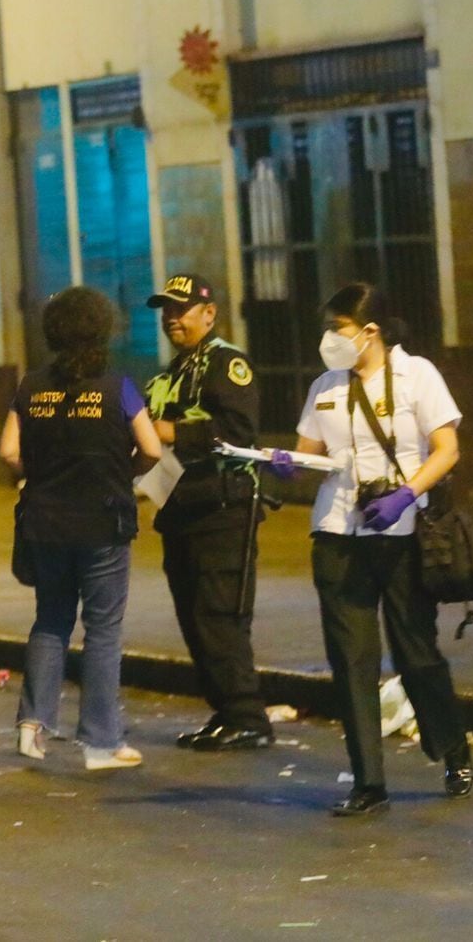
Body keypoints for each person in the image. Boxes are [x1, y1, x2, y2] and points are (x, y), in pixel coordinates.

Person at [289, 282, 472, 817]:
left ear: (369, 331)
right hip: (337, 531)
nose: (329, 338)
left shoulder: (417, 375)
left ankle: (452, 747)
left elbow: (448, 448)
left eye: (337, 328)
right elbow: (308, 452)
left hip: (399, 531)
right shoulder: (325, 385)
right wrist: (284, 462)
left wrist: (405, 495)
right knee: (350, 661)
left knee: (416, 654)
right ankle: (369, 781)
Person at [0, 286, 163, 769]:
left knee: (50, 621)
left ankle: (32, 728)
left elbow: (8, 451)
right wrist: (123, 474)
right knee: (103, 630)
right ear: (103, 332)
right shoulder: (119, 388)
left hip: (45, 522)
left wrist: (41, 474)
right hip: (103, 522)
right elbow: (152, 450)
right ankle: (101, 742)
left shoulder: (30, 386)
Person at [143, 273, 275, 751]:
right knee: (192, 616)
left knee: (220, 614)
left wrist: (170, 431)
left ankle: (249, 717)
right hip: (179, 509)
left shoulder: (227, 364)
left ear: (209, 313)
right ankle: (224, 712)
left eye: (181, 309)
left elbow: (239, 431)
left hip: (225, 506)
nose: (172, 318)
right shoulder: (166, 377)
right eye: (166, 311)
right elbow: (149, 442)